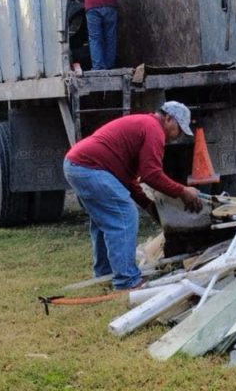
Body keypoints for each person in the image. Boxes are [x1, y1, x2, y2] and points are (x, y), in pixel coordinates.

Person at [63, 101, 204, 291]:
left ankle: (104, 274)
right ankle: (126, 281)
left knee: (104, 222)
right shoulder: (154, 129)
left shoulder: (146, 125)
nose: (178, 136)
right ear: (168, 118)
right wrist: (183, 191)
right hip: (89, 167)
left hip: (78, 165)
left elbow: (129, 179)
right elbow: (151, 174)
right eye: (179, 129)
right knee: (124, 216)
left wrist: (149, 206)